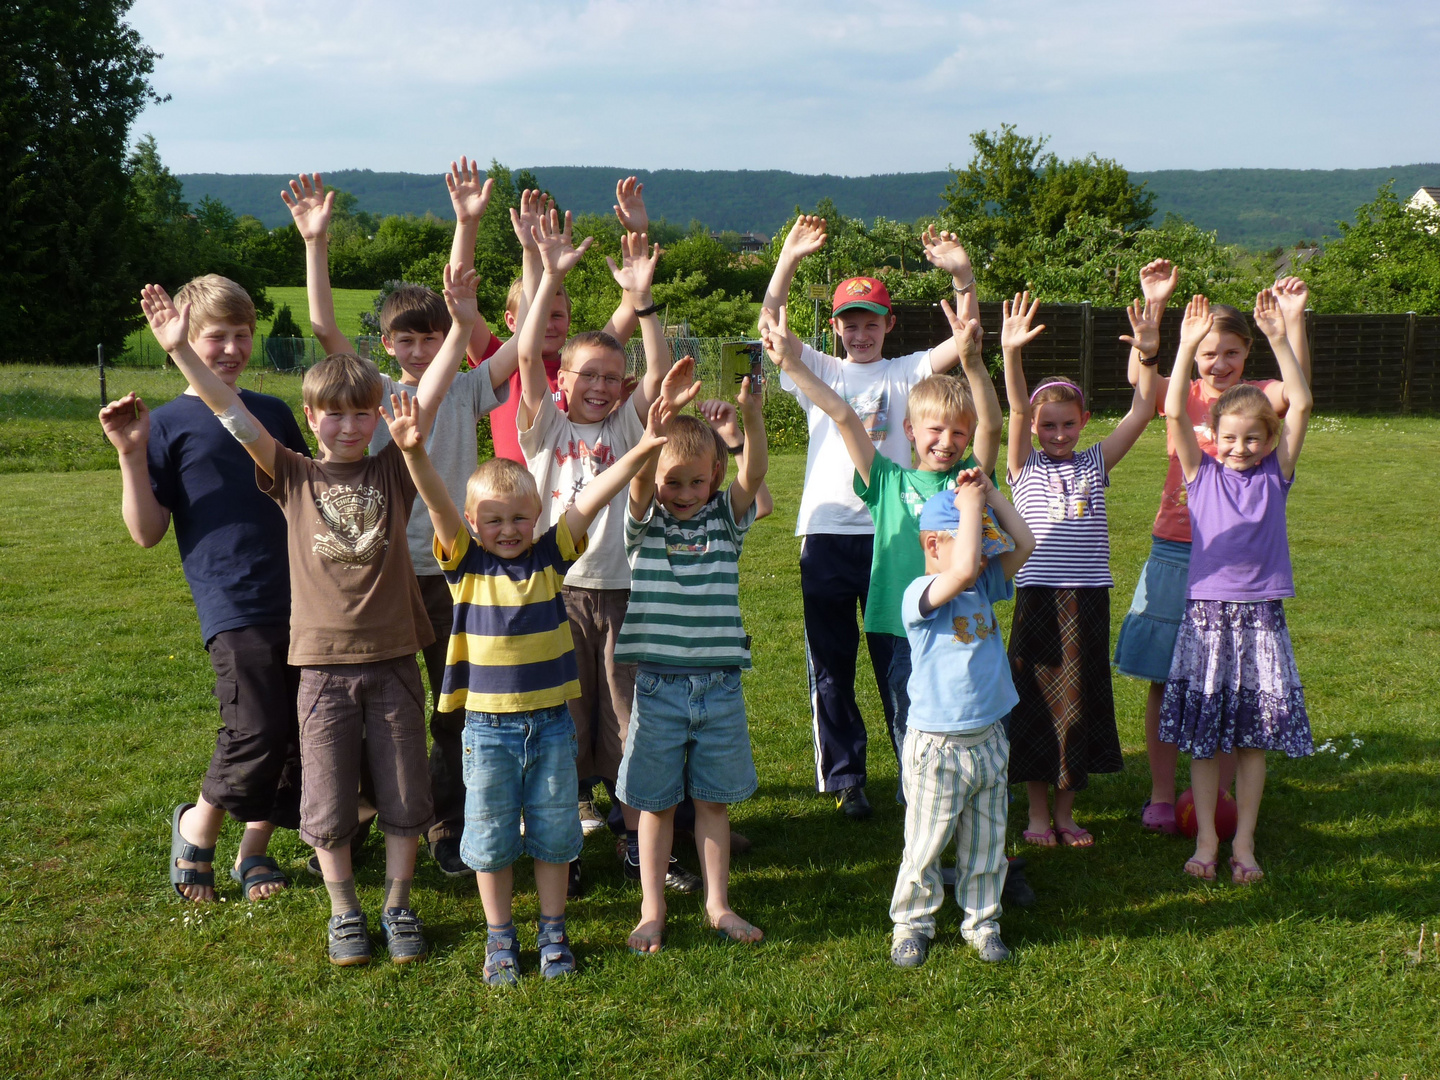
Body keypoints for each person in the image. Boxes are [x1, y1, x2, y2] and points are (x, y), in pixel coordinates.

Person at [139, 261, 478, 967]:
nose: (350, 426)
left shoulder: (393, 468)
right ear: (310, 415)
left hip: (391, 662)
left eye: (365, 413)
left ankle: (398, 903)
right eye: (336, 413)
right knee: (323, 799)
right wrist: (177, 351)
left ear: (381, 414)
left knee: (405, 791)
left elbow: (437, 388)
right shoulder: (290, 473)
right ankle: (345, 910)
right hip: (320, 667)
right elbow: (231, 416)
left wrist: (464, 317)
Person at [388, 384, 672, 984]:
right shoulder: (463, 561)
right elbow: (438, 503)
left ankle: (552, 930)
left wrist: (643, 447)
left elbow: (592, 498)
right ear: (473, 524)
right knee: (489, 837)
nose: (509, 529)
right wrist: (414, 453)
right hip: (486, 729)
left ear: (538, 516)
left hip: (550, 726)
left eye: (520, 517)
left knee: (553, 832)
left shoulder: (551, 557)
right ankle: (499, 937)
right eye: (494, 519)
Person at [286, 162, 519, 877]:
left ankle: (447, 823)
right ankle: (360, 814)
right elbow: (324, 325)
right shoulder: (373, 393)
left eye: (430, 339)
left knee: (455, 705)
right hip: (377, 577)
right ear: (386, 346)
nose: (419, 351)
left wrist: (474, 229)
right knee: (371, 708)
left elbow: (508, 338)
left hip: (451, 571)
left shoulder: (463, 386)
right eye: (405, 341)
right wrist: (315, 244)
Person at [760, 216, 993, 819]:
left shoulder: (908, 369)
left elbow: (966, 339)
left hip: (898, 536)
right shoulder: (822, 371)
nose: (860, 333)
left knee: (906, 661)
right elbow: (772, 329)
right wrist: (786, 259)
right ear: (834, 328)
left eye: (870, 322)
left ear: (888, 325)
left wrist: (963, 276)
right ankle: (845, 779)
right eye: (849, 323)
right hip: (827, 535)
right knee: (831, 663)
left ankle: (917, 770)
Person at [102, 274, 309, 905]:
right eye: (215, 336)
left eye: (242, 335)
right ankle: (196, 825)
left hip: (302, 596)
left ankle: (255, 851)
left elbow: (304, 495)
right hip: (232, 600)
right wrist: (130, 456)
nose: (231, 348)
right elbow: (147, 532)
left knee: (300, 729)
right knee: (254, 726)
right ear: (186, 338)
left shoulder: (269, 413)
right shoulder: (164, 424)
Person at [516, 210, 706, 897]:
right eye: (585, 375)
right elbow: (529, 345)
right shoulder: (543, 425)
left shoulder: (630, 421)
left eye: (609, 377)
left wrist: (644, 303)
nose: (598, 386)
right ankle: (561, 844)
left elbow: (657, 370)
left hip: (626, 593)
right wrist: (550, 276)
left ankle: (636, 843)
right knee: (561, 724)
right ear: (560, 380)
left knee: (630, 721)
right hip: (556, 594)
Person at [1112, 261, 1312, 833]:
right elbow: (1147, 388)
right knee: (1163, 675)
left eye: (1230, 352)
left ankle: (1215, 796)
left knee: (1230, 682)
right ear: (1195, 356)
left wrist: (1289, 325)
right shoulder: (1186, 395)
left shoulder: (1258, 399)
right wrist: (1156, 320)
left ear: (1247, 354)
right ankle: (1158, 792)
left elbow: (1299, 395)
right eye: (1208, 353)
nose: (1219, 363)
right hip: (1176, 550)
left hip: (1241, 572)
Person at [1158, 291, 1313, 884]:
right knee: (1203, 740)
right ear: (1212, 439)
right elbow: (1173, 412)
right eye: (1230, 439)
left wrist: (1279, 334)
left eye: (1253, 439)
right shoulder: (1200, 477)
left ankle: (1243, 842)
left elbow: (1299, 403)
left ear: (1269, 442)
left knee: (1252, 740)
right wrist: (1183, 349)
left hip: (1260, 621)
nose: (1241, 449)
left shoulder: (1277, 474)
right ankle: (1205, 841)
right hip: (1207, 621)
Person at [614, 357, 768, 953]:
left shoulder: (727, 523)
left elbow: (752, 476)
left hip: (720, 687)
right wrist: (655, 432)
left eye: (696, 482)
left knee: (712, 803)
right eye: (671, 481)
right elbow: (636, 485)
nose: (683, 493)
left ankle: (717, 904)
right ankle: (652, 910)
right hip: (656, 688)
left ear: (714, 477)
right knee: (653, 805)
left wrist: (750, 421)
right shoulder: (643, 526)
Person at [999, 291, 1160, 848]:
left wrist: (1148, 351)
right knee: (1038, 706)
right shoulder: (1022, 464)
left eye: (1069, 425)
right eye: (1050, 425)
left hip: (1087, 600)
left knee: (1077, 703)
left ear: (1084, 422)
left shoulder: (1095, 461)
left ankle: (1066, 814)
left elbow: (1142, 411)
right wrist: (1011, 352)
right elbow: (1016, 409)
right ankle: (1038, 816)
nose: (1059, 434)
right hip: (1039, 598)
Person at [889, 479, 1035, 968]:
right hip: (937, 747)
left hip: (989, 739)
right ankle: (911, 923)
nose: (984, 560)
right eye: (974, 540)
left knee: (988, 844)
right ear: (934, 544)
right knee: (926, 844)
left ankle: (982, 922)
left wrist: (990, 497)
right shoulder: (921, 595)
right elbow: (965, 565)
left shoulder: (980, 585)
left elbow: (1025, 543)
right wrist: (970, 507)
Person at [489, 180, 648, 463]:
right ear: (512, 320)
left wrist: (637, 232)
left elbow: (628, 310)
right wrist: (531, 251)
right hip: (512, 503)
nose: (549, 325)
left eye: (558, 316)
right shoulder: (500, 364)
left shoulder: (582, 366)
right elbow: (520, 342)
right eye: (542, 314)